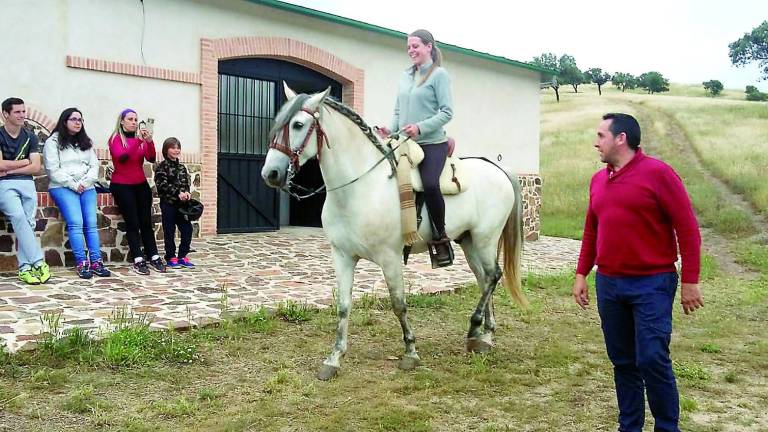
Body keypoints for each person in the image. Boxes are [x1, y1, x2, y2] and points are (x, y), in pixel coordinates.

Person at [572, 113, 705, 432]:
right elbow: (592, 230)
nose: (595, 142)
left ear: (622, 139)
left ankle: (666, 427)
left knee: (651, 357)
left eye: (601, 135)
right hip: (609, 284)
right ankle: (629, 427)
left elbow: (687, 228)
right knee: (623, 361)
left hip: (652, 283)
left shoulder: (659, 174)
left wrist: (690, 281)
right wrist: (581, 274)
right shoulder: (597, 180)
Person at [377, 29, 454, 267]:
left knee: (430, 184)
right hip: (403, 142)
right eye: (408, 47)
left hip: (432, 143)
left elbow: (447, 112)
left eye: (415, 46)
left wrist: (420, 128)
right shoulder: (405, 76)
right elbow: (399, 110)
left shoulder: (439, 75)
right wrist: (390, 129)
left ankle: (440, 237)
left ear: (429, 47)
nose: (411, 51)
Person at [43, 108, 111, 279]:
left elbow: (94, 166)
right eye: (73, 119)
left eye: (80, 119)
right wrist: (73, 184)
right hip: (63, 186)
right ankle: (82, 262)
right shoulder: (53, 142)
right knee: (76, 222)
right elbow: (53, 169)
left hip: (86, 187)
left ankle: (96, 261)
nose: (77, 122)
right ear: (64, 121)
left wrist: (86, 182)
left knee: (91, 223)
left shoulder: (85, 142)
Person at [0, 97, 51, 284]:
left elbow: (36, 167)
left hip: (27, 183)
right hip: (4, 185)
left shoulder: (31, 136)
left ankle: (25, 268)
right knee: (19, 217)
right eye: (18, 112)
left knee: (28, 223)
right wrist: (23, 162)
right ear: (6, 114)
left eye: (23, 111)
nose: (23, 115)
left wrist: (10, 168)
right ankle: (38, 262)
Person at [108, 109, 166, 275]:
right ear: (122, 121)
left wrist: (149, 141)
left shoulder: (139, 139)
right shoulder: (116, 139)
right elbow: (122, 157)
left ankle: (153, 255)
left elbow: (151, 158)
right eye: (130, 119)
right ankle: (138, 258)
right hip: (122, 185)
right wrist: (138, 141)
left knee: (146, 222)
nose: (134, 122)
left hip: (140, 184)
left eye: (136, 119)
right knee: (133, 222)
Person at [154, 137, 194, 269]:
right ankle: (171, 256)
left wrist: (187, 193)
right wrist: (178, 193)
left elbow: (186, 183)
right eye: (173, 147)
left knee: (187, 229)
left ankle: (182, 256)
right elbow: (162, 185)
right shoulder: (162, 167)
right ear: (166, 150)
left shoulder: (182, 168)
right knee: (169, 231)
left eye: (178, 147)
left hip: (182, 206)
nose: (176, 150)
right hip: (168, 204)